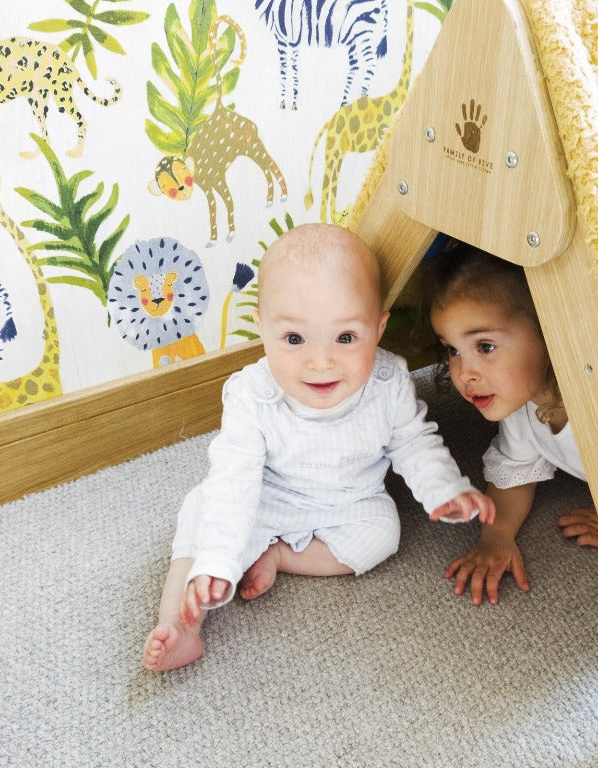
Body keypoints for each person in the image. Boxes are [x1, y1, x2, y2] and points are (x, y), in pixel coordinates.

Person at [143, 223, 495, 671]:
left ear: (379, 328)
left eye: (346, 338)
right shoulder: (252, 394)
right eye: (294, 340)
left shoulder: (388, 383)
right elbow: (234, 482)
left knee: (383, 535)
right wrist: (217, 561)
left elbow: (415, 443)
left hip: (350, 500)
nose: (320, 362)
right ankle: (182, 626)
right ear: (263, 330)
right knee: (202, 510)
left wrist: (446, 490)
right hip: (265, 497)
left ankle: (281, 555)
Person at [427, 243, 598, 607]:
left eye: (486, 346)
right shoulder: (522, 409)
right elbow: (514, 473)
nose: (464, 373)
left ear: (548, 332)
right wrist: (496, 537)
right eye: (452, 350)